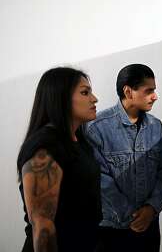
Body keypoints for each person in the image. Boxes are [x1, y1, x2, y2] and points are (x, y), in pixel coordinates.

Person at [85, 64, 162, 252]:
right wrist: (132, 216)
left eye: (154, 90)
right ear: (128, 91)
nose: (155, 96)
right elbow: (98, 179)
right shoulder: (97, 128)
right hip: (110, 231)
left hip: (149, 229)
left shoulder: (156, 127)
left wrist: (151, 209)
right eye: (149, 91)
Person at [17, 67, 101, 252]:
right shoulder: (45, 148)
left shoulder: (78, 139)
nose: (94, 99)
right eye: (85, 92)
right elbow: (43, 226)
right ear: (61, 98)